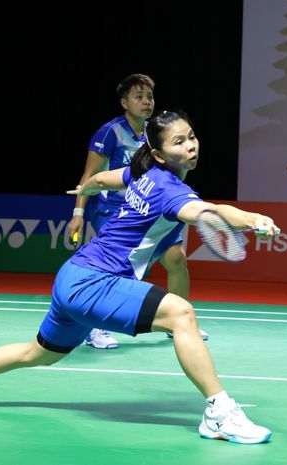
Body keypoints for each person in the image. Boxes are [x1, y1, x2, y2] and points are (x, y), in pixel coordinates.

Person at [0, 111, 278, 444]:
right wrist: (255, 220)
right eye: (179, 141)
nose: (191, 145)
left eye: (192, 137)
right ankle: (218, 413)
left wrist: (86, 191)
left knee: (38, 354)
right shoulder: (170, 190)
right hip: (94, 282)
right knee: (181, 314)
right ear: (157, 153)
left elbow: (104, 178)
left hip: (71, 277)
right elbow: (209, 211)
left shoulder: (142, 174)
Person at [67, 73, 207, 349]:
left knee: (176, 258)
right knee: (115, 269)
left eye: (150, 97)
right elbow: (90, 175)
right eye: (139, 97)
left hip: (150, 209)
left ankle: (180, 322)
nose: (146, 102)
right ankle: (95, 328)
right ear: (124, 102)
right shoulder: (110, 132)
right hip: (114, 208)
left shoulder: (156, 133)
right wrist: (78, 214)